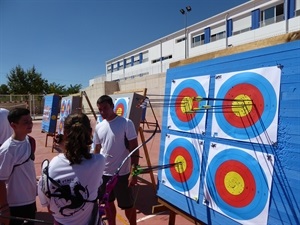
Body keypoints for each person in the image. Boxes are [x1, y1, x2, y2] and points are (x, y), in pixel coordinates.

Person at [38, 112, 105, 225]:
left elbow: (49, 207)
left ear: (64, 133)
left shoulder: (51, 166)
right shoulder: (99, 161)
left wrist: (64, 147)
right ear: (90, 133)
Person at [93, 95, 139, 225]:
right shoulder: (99, 127)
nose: (102, 112)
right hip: (103, 173)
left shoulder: (126, 123)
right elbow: (97, 149)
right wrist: (95, 171)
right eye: (100, 109)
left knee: (128, 206)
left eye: (105, 108)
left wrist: (134, 173)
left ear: (112, 107)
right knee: (107, 203)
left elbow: (135, 149)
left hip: (122, 174)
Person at [0, 108, 36, 225]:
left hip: (30, 200)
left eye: (30, 121)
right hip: (16, 204)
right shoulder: (8, 150)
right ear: (13, 125)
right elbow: (0, 180)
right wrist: (4, 208)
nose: (30, 124)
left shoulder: (29, 140)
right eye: (25, 122)